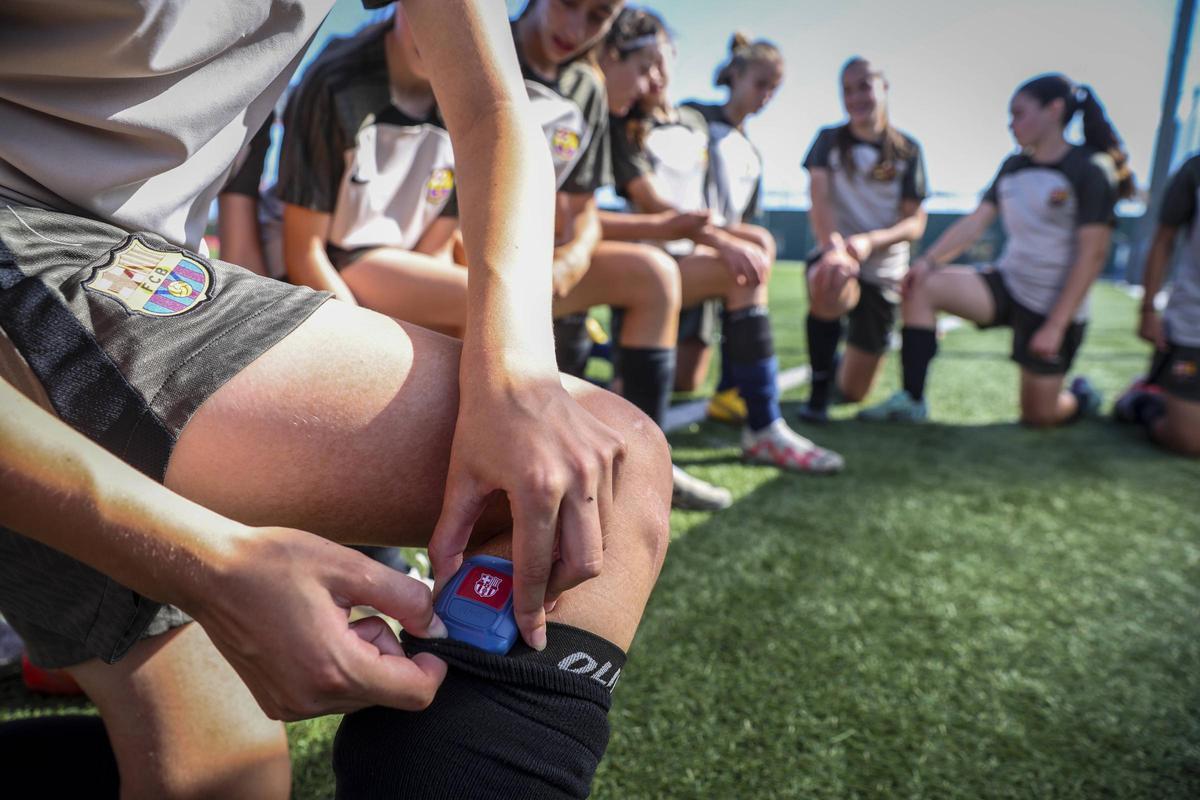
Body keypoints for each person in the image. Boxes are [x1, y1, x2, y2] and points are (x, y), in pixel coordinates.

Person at [0, 2, 672, 798]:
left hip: (125, 267)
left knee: (226, 783)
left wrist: (517, 372)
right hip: (35, 243)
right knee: (608, 467)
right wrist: (211, 561)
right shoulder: (344, 86)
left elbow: (495, 107)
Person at [508, 0, 735, 509]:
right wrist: (662, 225)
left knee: (652, 274)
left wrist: (570, 259)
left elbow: (579, 213)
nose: (576, 28)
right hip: (462, 258)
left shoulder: (583, 88)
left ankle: (647, 467)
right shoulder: (491, 51)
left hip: (539, 261)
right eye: (644, 67)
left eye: (596, 17)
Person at [619, 31, 841, 472]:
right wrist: (719, 237)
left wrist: (727, 238)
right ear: (735, 75)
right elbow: (663, 200)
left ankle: (737, 390)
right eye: (760, 83)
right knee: (663, 377)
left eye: (774, 89)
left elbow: (730, 217)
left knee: (689, 376)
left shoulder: (743, 149)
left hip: (698, 257)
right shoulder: (689, 119)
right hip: (659, 256)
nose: (766, 96)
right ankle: (757, 421)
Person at [858, 73, 1132, 426]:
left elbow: (1092, 255)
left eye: (1018, 113)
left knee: (1040, 416)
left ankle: (1080, 397)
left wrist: (1055, 325)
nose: (1010, 123)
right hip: (1009, 284)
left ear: (1054, 110)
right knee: (921, 284)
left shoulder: (1091, 168)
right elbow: (975, 223)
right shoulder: (1013, 166)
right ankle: (912, 399)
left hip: (1053, 306)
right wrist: (925, 263)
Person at [274, 10, 469, 336]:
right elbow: (303, 253)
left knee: (491, 307)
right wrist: (363, 341)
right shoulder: (335, 83)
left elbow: (435, 251)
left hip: (397, 269)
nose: (441, 32)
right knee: (479, 300)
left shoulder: (471, 107)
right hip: (333, 264)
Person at [799, 56, 928, 423]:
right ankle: (818, 389)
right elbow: (819, 200)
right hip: (838, 256)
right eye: (847, 89)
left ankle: (839, 362)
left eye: (864, 86)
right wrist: (834, 249)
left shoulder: (908, 150)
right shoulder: (828, 140)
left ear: (884, 88)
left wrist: (872, 241)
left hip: (884, 270)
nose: (855, 97)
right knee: (830, 277)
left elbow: (914, 222)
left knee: (854, 390)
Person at [1113, 154, 1200, 455]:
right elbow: (1163, 240)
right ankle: (1144, 400)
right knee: (1191, 442)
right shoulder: (1195, 169)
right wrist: (1148, 309)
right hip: (1193, 325)